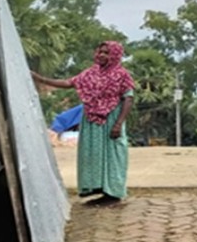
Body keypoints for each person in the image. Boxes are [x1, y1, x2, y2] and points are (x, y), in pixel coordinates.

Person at [32, 41, 135, 202]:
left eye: (106, 52)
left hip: (111, 119)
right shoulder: (90, 73)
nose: (101, 55)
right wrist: (40, 79)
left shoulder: (121, 75)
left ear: (114, 55)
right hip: (91, 120)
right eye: (100, 51)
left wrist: (118, 124)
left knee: (113, 154)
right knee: (92, 154)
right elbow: (68, 83)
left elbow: (128, 99)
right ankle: (96, 188)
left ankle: (113, 193)